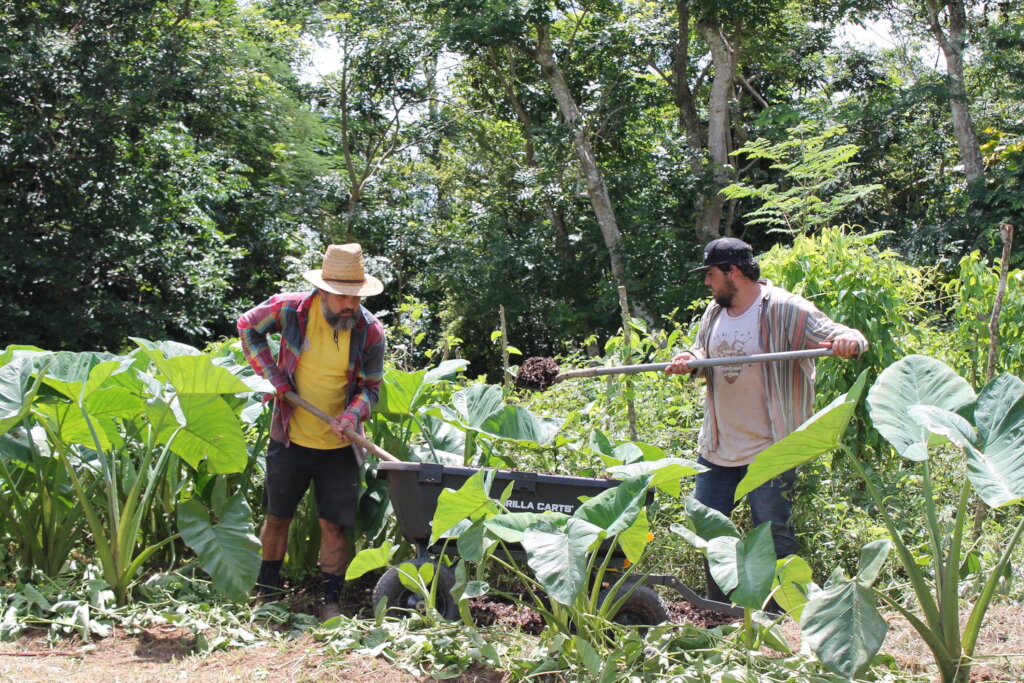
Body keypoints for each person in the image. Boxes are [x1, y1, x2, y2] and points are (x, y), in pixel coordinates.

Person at [666, 237, 866, 602]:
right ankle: (718, 613)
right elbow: (701, 349)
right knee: (711, 534)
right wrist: (687, 357)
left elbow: (842, 334)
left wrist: (848, 341)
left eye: (711, 274)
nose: (707, 283)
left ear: (734, 272)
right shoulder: (714, 312)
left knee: (773, 533)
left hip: (770, 446)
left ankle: (780, 613)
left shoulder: (787, 308)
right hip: (718, 447)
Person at [238, 243, 386, 621]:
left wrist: (352, 416)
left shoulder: (369, 332)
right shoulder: (289, 309)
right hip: (290, 434)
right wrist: (274, 378)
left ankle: (330, 601)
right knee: (277, 515)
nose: (349, 306)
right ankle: (267, 594)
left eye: (355, 297)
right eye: (341, 297)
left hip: (338, 444)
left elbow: (371, 389)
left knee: (334, 525)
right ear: (322, 291)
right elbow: (247, 327)